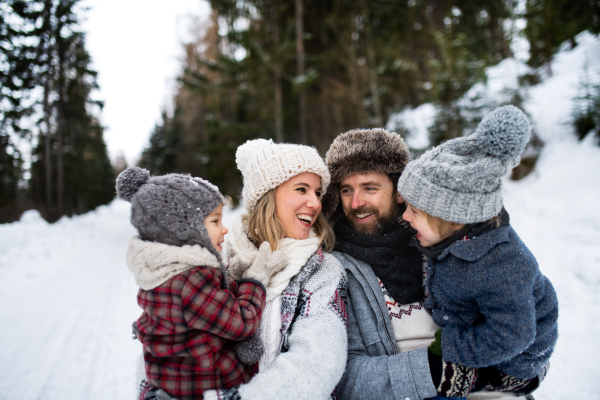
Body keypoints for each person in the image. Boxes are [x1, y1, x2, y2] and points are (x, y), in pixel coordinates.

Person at [321, 127, 546, 400]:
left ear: (399, 191)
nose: (356, 202)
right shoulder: (337, 268)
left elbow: (525, 319)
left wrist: (527, 369)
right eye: (346, 190)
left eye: (370, 187)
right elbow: (344, 379)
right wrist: (432, 372)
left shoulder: (450, 236)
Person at [142, 139, 348, 400]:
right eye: (302, 189)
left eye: (317, 193)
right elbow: (163, 340)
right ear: (267, 195)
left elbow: (315, 365)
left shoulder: (322, 272)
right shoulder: (218, 260)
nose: (315, 203)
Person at [397, 105, 558, 399]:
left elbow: (514, 335)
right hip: (488, 336)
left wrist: (452, 345)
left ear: (454, 219)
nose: (405, 217)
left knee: (442, 385)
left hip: (516, 362)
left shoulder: (501, 265)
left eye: (414, 211)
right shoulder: (454, 239)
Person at [117, 168, 285, 400]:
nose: (224, 228)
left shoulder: (163, 273)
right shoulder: (191, 280)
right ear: (183, 228)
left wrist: (231, 278)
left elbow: (203, 310)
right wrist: (254, 281)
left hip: (173, 382)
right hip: (209, 385)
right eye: (215, 221)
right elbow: (241, 322)